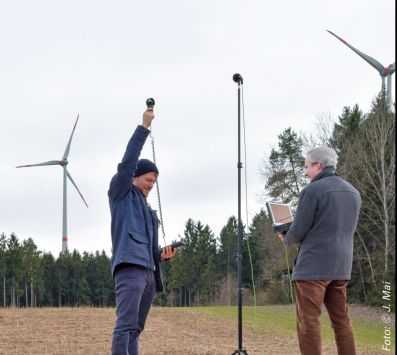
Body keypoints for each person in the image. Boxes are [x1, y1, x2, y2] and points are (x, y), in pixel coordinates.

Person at [279, 146, 361, 355]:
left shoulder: (311, 191)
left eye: (306, 167)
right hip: (341, 266)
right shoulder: (353, 192)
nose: (305, 172)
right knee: (342, 322)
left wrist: (285, 236)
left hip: (313, 268)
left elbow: (297, 231)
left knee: (309, 323)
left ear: (318, 165)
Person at [108, 105, 177, 355]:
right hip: (130, 270)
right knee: (125, 327)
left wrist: (161, 255)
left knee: (135, 329)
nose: (151, 184)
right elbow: (127, 163)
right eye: (149, 179)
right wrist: (144, 127)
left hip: (149, 273)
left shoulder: (149, 212)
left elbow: (148, 249)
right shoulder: (121, 194)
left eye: (154, 181)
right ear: (135, 176)